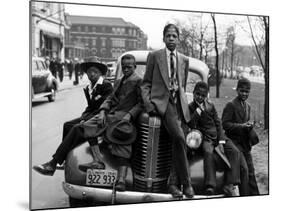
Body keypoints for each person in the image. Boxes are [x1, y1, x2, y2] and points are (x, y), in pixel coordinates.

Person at [33, 54, 142, 192]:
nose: (126, 69)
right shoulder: (119, 81)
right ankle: (96, 161)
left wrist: (129, 115)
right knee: (85, 127)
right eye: (124, 67)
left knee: (121, 145)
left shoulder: (139, 81)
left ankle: (120, 179)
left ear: (135, 67)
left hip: (123, 120)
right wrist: (103, 111)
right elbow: (110, 99)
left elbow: (140, 103)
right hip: (110, 116)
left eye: (129, 67)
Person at [141, 23, 194, 198]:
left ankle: (172, 183)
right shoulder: (155, 56)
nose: (171, 39)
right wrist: (150, 105)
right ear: (163, 38)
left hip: (180, 106)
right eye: (168, 36)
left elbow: (182, 85)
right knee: (179, 138)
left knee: (180, 143)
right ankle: (186, 184)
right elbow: (146, 83)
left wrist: (183, 105)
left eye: (174, 36)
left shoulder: (184, 60)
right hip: (164, 104)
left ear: (178, 39)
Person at [187, 81, 243, 196]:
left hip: (217, 135)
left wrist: (221, 140)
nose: (200, 97)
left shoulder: (210, 106)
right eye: (198, 94)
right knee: (208, 152)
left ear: (206, 95)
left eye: (203, 95)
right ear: (193, 93)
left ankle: (230, 183)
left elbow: (218, 123)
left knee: (235, 151)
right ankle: (210, 185)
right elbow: (191, 124)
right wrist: (198, 111)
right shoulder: (191, 107)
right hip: (205, 138)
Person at [222, 78, 260, 196]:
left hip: (245, 145)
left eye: (247, 91)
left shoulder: (247, 106)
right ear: (237, 90)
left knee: (251, 172)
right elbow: (225, 124)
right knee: (244, 170)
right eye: (242, 91)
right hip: (234, 144)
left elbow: (245, 122)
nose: (244, 94)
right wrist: (242, 126)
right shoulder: (231, 105)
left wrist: (249, 126)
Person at [62, 61, 113, 140]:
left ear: (100, 73)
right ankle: (66, 150)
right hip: (90, 115)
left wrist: (85, 119)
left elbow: (105, 107)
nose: (92, 74)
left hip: (100, 117)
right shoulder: (88, 87)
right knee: (67, 125)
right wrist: (83, 117)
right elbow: (90, 107)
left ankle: (63, 151)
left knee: (76, 128)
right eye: (89, 72)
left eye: (95, 72)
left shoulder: (106, 85)